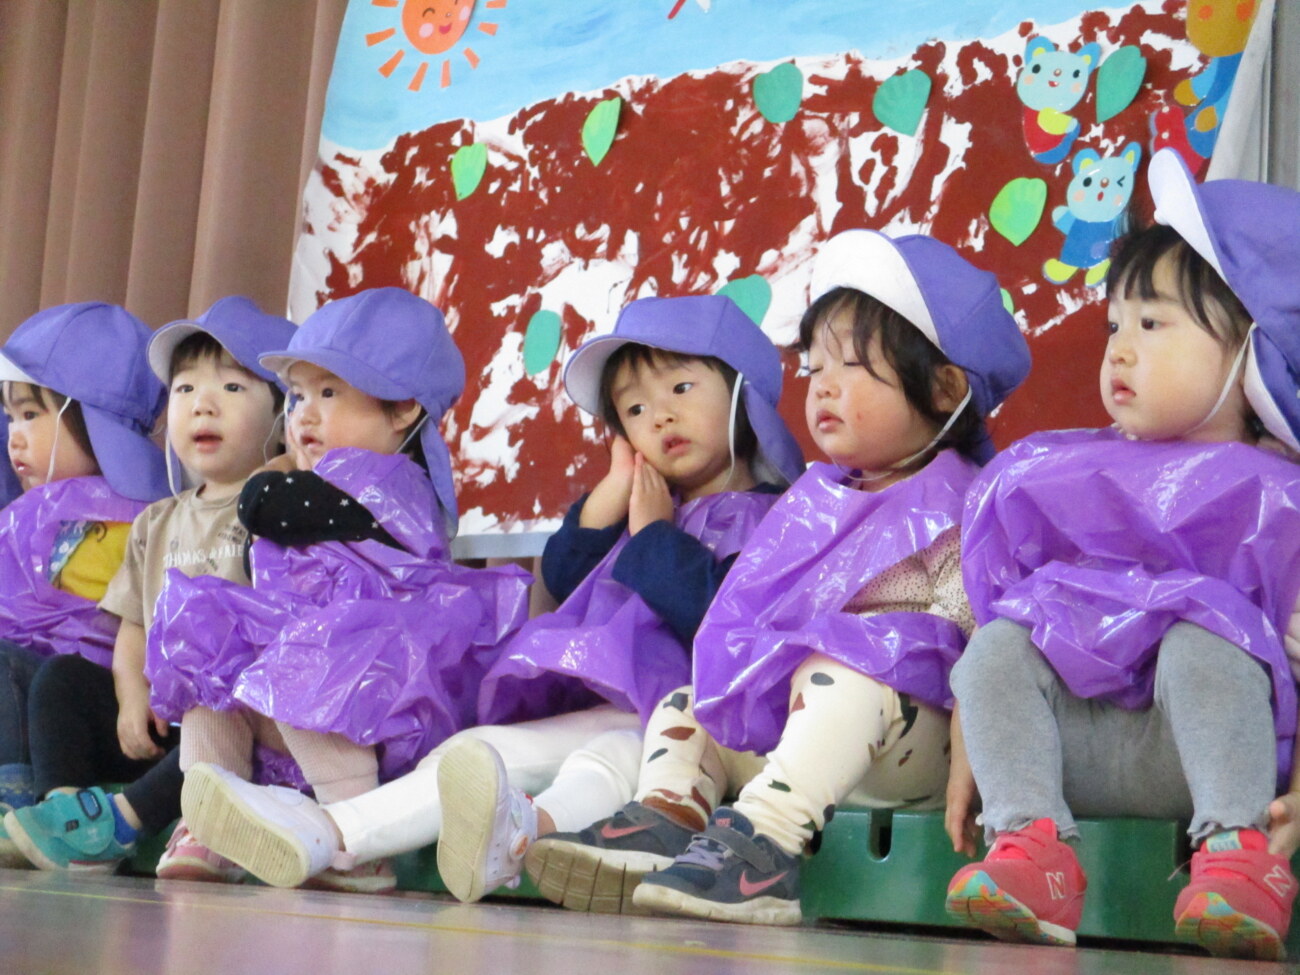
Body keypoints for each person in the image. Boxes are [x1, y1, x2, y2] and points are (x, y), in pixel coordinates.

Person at [176, 294, 805, 902]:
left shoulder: (779, 518)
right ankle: (337, 832)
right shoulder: (644, 503)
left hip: (689, 723)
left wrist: (655, 538)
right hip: (606, 705)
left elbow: (723, 623)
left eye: (681, 389)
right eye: (634, 409)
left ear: (741, 394)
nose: (659, 417)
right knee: (478, 754)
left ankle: (357, 835)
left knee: (606, 760)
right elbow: (567, 574)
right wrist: (614, 493)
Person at [528, 229, 1031, 925]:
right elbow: (746, 627)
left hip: (914, 751)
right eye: (815, 365)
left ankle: (764, 847)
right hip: (808, 748)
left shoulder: (967, 501)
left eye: (851, 366)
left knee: (842, 668)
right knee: (690, 693)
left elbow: (984, 650)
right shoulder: (817, 498)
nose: (822, 385)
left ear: (945, 388)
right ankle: (667, 821)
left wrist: (983, 761)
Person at [944, 148, 1300, 962]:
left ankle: (1236, 856)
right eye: (1115, 324)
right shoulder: (1064, 472)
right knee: (998, 644)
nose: (1120, 350)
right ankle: (1031, 846)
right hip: (1069, 752)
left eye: (1153, 323)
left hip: (1209, 759)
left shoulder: (1280, 496)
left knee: (1203, 635)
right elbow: (993, 629)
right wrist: (973, 747)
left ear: (1249, 349)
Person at [165, 287, 531, 893]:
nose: (303, 416)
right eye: (298, 395)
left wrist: (274, 469)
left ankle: (357, 829)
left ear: (403, 409)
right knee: (210, 635)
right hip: (313, 694)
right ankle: (207, 816)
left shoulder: (390, 484)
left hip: (381, 699)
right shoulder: (332, 477)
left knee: (305, 650)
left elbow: (265, 505)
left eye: (329, 394)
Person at [1, 297, 292, 877]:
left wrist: (285, 467)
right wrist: (132, 695)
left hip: (234, 723)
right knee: (62, 680)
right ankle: (65, 813)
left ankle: (131, 822)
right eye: (184, 389)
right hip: (155, 722)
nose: (203, 403)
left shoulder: (282, 511)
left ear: (284, 415)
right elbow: (132, 625)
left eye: (232, 388)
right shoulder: (158, 520)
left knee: (214, 717)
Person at [0, 303, 168, 864]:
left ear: (89, 417)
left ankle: (13, 798)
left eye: (30, 414)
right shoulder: (27, 513)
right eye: (10, 418)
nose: (14, 437)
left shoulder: (142, 518)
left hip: (95, 705)